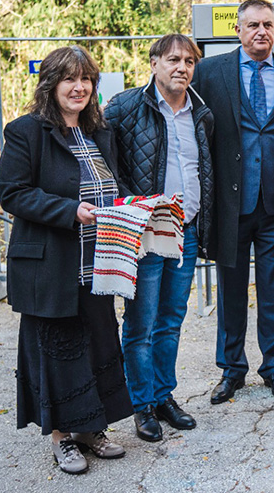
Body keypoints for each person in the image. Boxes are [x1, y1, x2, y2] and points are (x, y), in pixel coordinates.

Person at [0, 45, 133, 475]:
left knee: (98, 343)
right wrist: (69, 210)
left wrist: (140, 206)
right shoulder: (26, 131)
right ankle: (62, 438)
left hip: (98, 261)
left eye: (86, 79)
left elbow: (113, 186)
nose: (79, 87)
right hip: (51, 266)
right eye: (69, 79)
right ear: (51, 84)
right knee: (57, 351)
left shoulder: (99, 132)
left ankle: (91, 430)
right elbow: (12, 193)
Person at [193, 0, 274, 404]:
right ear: (238, 30)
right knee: (231, 292)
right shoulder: (208, 73)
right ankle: (231, 370)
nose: (261, 31)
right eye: (253, 25)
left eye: (268, 25)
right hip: (230, 203)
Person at [105, 34, 214, 441]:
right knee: (141, 323)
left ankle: (164, 395)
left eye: (189, 61)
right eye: (173, 59)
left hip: (185, 231)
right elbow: (107, 166)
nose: (181, 67)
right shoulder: (124, 107)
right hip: (146, 233)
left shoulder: (201, 111)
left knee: (171, 320)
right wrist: (131, 208)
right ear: (154, 63)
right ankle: (142, 405)